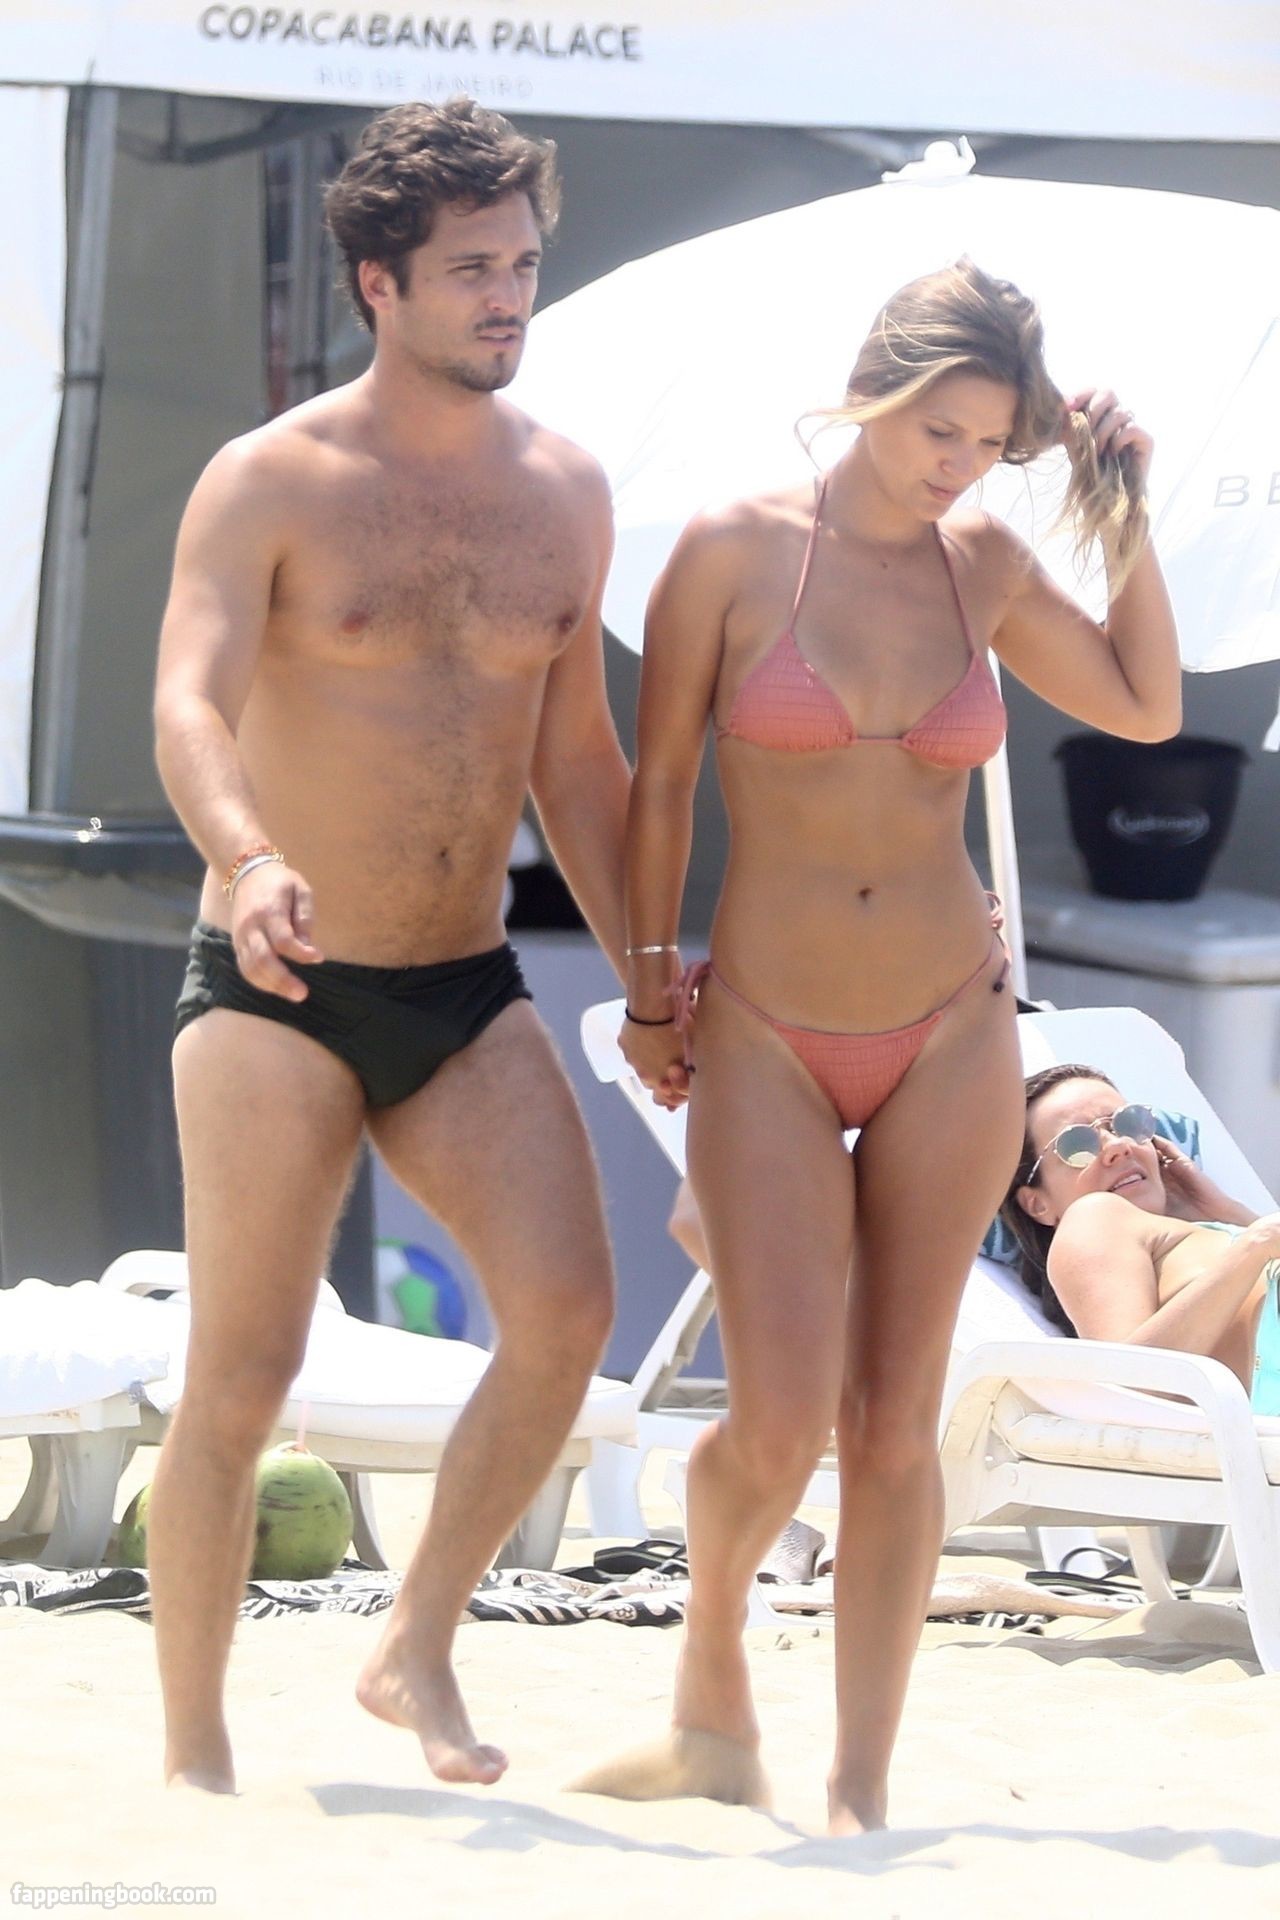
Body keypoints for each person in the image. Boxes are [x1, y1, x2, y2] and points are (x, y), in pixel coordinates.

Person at [579, 259, 1183, 1833]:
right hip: (769, 1032)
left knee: (896, 1427)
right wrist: (646, 992)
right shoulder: (731, 549)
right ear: (874, 390)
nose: (958, 468)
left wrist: (1122, 513)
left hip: (952, 1030)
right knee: (780, 1420)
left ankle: (859, 1789)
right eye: (938, 431)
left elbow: (1141, 701)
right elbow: (660, 789)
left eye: (988, 444)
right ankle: (712, 1681)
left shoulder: (983, 562)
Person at [150, 97, 646, 1795]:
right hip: (276, 984)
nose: (509, 296)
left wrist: (652, 971)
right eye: (472, 269)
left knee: (567, 1313)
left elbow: (581, 763)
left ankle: (414, 1637)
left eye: (524, 263)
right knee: (243, 1379)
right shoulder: (270, 479)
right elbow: (187, 703)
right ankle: (195, 1755)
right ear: (380, 282)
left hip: (463, 984)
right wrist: (250, 856)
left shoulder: (565, 492)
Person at [1000, 1063, 1280, 1410]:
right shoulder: (1094, 1216)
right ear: (1037, 1204)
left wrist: (1228, 1213)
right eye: (1076, 1144)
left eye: (1129, 1124)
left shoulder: (1206, 1232)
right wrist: (1253, 1245)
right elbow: (1131, 1388)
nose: (1118, 1146)